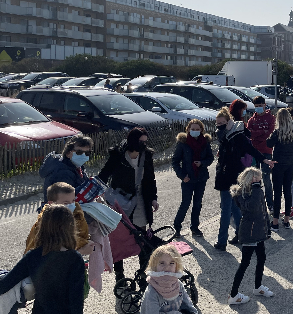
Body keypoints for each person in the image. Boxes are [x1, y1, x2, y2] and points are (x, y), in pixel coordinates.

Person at [0, 205, 89, 314]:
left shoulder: (32, 256)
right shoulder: (74, 259)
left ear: (42, 228)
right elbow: (75, 301)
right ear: (70, 228)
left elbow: (4, 285)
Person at [98, 127, 159, 282]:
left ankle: (142, 271)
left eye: (146, 142)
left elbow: (150, 179)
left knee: (141, 237)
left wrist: (153, 198)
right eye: (141, 142)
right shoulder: (118, 155)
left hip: (140, 201)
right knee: (118, 238)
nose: (144, 145)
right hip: (119, 201)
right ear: (132, 141)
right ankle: (120, 275)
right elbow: (104, 175)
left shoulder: (147, 155)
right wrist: (95, 194)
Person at [214, 107, 275, 251]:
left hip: (233, 175)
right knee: (235, 208)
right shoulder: (222, 134)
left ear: (228, 121)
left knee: (227, 209)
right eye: (217, 123)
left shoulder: (236, 134)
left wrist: (264, 160)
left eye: (222, 122)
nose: (219, 125)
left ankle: (222, 241)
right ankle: (239, 235)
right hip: (225, 175)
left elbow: (250, 149)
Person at [227, 167, 274, 305]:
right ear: (249, 178)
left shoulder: (256, 191)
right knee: (245, 263)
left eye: (259, 178)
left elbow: (263, 211)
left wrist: (268, 229)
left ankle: (258, 287)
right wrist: (257, 190)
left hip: (259, 232)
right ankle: (234, 294)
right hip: (250, 233)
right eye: (256, 178)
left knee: (261, 258)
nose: (258, 180)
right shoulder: (241, 193)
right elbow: (251, 207)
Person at [140, 245, 202, 314]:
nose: (167, 267)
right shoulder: (152, 291)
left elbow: (190, 308)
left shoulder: (178, 285)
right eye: (162, 263)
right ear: (154, 265)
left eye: (171, 263)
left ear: (177, 265)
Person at [171, 119, 214, 238]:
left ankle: (195, 227)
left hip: (201, 178)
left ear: (201, 130)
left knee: (197, 203)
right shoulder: (183, 143)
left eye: (197, 129)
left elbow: (210, 158)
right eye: (192, 129)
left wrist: (202, 163)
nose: (195, 131)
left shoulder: (205, 142)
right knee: (185, 203)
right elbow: (175, 161)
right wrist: (182, 175)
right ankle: (177, 228)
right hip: (187, 178)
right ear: (188, 129)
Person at [25, 182, 91, 255]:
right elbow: (47, 259)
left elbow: (83, 234)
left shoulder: (77, 214)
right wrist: (81, 252)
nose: (72, 205)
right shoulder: (45, 225)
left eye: (73, 201)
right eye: (66, 203)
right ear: (51, 204)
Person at [266, 109, 293, 232]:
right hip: (290, 163)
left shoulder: (277, 132)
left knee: (277, 193)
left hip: (278, 163)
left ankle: (275, 221)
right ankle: (286, 220)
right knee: (288, 191)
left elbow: (269, 144)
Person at [39, 134, 94, 202]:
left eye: (87, 153)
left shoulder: (77, 167)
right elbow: (68, 199)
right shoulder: (63, 172)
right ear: (68, 153)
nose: (83, 155)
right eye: (79, 152)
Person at [246, 96, 276, 214]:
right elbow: (249, 134)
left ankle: (270, 205)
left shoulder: (271, 118)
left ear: (265, 105)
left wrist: (257, 134)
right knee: (253, 179)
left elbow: (269, 133)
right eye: (256, 106)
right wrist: (260, 132)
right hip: (254, 152)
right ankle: (255, 204)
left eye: (260, 106)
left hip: (266, 151)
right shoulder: (251, 120)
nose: (258, 108)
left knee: (266, 180)